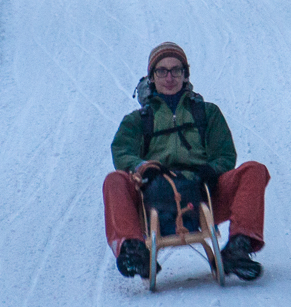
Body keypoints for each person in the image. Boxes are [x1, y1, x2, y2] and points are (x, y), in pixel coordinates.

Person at [104, 42, 269, 281]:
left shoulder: (207, 113)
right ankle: (133, 251)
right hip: (151, 195)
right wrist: (142, 168)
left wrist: (211, 171)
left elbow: (225, 154)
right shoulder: (137, 120)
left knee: (254, 170)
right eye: (162, 71)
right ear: (151, 77)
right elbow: (122, 152)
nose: (169, 77)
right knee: (114, 181)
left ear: (185, 74)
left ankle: (238, 248)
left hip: (204, 192)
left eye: (176, 70)